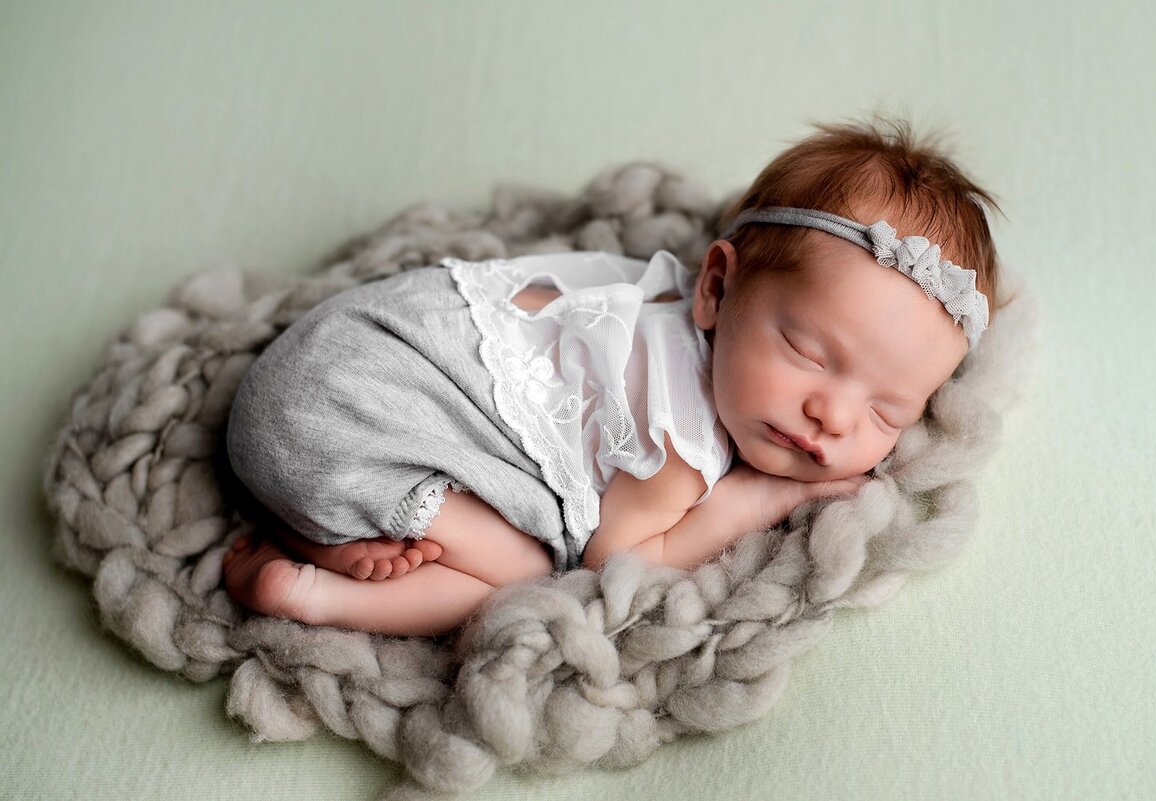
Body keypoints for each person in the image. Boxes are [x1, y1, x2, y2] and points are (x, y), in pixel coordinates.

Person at [221, 118, 1007, 636]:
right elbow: (617, 559)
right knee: (529, 576)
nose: (830, 414)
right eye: (807, 350)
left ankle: (313, 521)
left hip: (320, 359)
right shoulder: (681, 436)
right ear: (716, 286)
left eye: (886, 410)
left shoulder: (646, 292)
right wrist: (759, 495)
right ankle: (307, 590)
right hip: (342, 418)